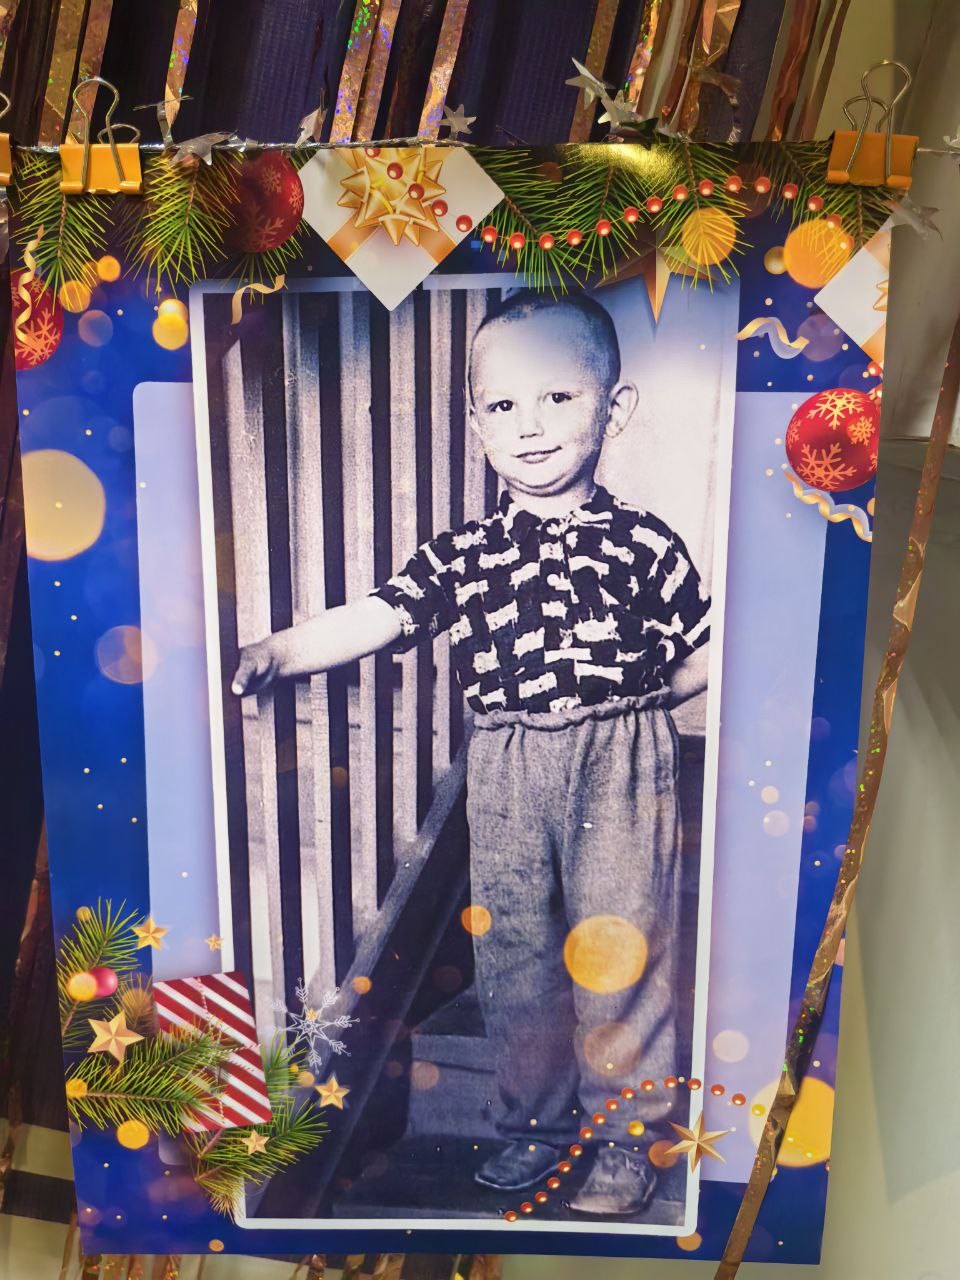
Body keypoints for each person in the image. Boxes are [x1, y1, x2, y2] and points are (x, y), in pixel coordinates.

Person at [232, 289, 710, 1217]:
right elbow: (378, 615)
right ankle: (535, 1127)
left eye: (558, 398)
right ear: (477, 423)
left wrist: (651, 705)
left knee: (621, 942)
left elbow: (703, 648)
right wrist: (281, 649)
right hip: (506, 763)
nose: (529, 426)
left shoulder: (648, 545)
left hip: (620, 756)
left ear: (615, 409)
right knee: (517, 953)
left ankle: (624, 1138)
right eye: (503, 404)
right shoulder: (463, 555)